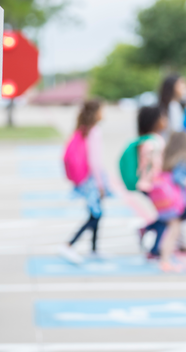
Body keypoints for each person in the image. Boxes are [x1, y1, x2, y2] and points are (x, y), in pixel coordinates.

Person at [59, 99, 109, 264]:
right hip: (92, 179)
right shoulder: (95, 131)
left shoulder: (82, 130)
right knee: (95, 215)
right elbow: (94, 161)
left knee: (95, 213)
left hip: (84, 179)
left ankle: (94, 249)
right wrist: (101, 184)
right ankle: (69, 244)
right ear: (96, 113)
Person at [142, 132, 186, 272]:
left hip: (162, 201)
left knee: (170, 230)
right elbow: (180, 179)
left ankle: (165, 259)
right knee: (173, 231)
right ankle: (165, 260)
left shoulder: (166, 158)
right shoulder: (180, 160)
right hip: (172, 202)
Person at [158, 74, 186, 140]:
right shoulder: (173, 106)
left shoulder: (174, 105)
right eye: (182, 83)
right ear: (173, 87)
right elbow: (177, 132)